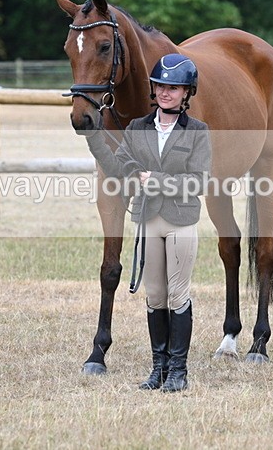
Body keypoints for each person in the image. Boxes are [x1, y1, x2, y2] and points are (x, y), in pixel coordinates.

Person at [84, 53, 212, 393]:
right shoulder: (137, 128)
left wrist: (154, 179)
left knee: (178, 294)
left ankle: (178, 371)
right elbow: (119, 165)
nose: (166, 93)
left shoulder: (198, 131)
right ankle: (159, 368)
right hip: (148, 219)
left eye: (174, 88)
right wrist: (93, 137)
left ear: (187, 93)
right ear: (152, 90)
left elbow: (198, 181)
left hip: (181, 221)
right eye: (160, 86)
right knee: (155, 296)